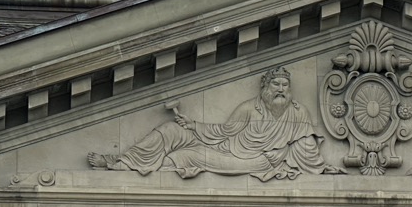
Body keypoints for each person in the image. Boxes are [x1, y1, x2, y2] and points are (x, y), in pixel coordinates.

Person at [89, 67, 340, 180]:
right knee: (171, 130)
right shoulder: (248, 108)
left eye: (285, 86)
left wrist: (321, 167)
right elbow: (224, 132)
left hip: (254, 160)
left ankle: (133, 170)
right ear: (265, 88)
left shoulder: (298, 113)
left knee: (187, 156)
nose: (282, 90)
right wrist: (193, 125)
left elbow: (306, 147)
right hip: (225, 145)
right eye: (276, 85)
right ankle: (121, 161)